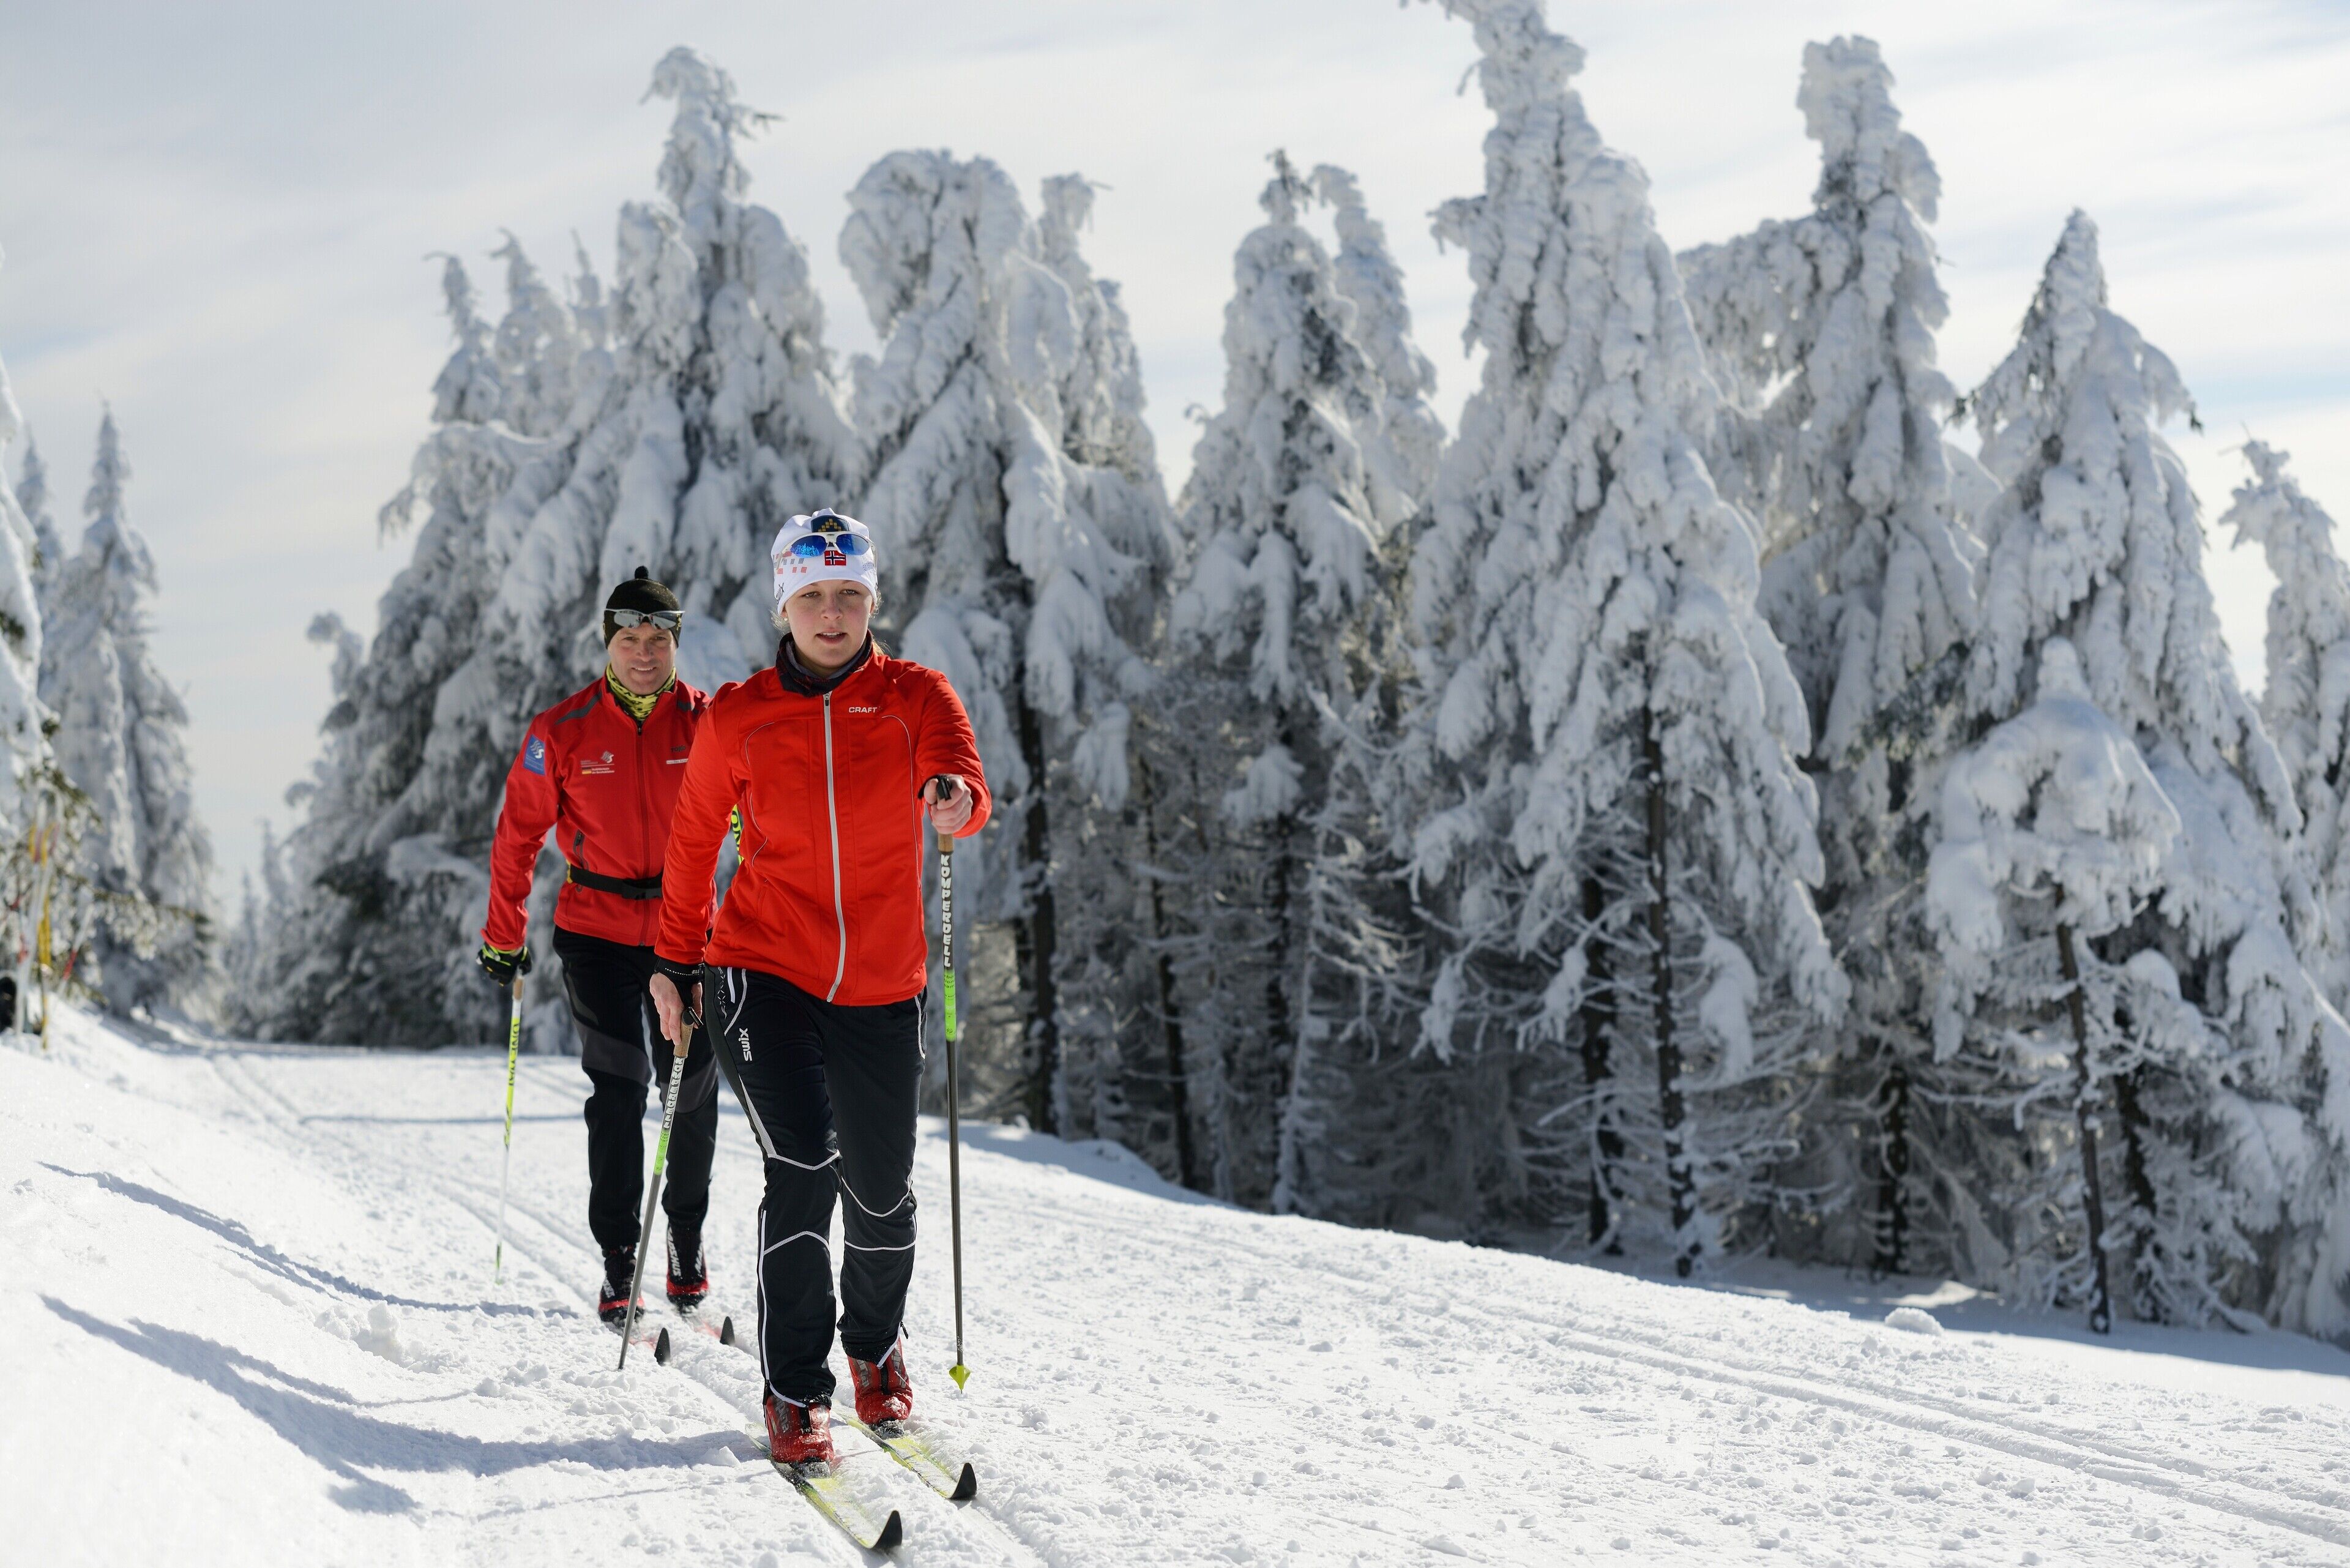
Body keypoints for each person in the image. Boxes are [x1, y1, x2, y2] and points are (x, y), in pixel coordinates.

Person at [649, 507, 987, 1467]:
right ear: (783, 605)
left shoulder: (915, 696)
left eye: (848, 595)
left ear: (871, 601)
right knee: (802, 1163)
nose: (831, 614)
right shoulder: (740, 715)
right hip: (764, 969)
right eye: (812, 597)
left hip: (881, 981)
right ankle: (797, 1389)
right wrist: (675, 963)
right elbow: (693, 842)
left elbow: (962, 776)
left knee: (880, 1195)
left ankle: (874, 1344)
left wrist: (957, 798)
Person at [480, 568, 720, 1324]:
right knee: (618, 1089)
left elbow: (757, 826)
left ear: (675, 643)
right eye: (629, 639)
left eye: (657, 640)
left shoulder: (710, 724)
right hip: (598, 934)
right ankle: (620, 1256)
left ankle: (684, 1237)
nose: (644, 653)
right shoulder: (564, 730)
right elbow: (518, 835)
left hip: (689, 932)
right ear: (607, 645)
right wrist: (504, 934)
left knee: (689, 1089)